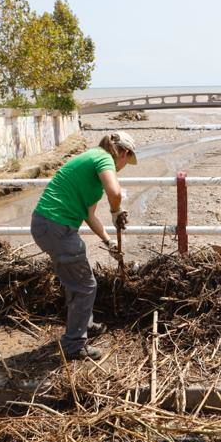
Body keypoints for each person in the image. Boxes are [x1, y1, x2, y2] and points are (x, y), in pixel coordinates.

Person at [31, 131, 137, 360]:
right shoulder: (103, 158)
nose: (122, 166)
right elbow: (115, 192)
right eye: (127, 161)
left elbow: (90, 216)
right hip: (56, 227)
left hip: (48, 226)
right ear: (124, 153)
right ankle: (73, 345)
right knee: (86, 286)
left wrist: (108, 241)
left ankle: (84, 325)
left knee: (75, 282)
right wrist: (116, 210)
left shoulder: (92, 168)